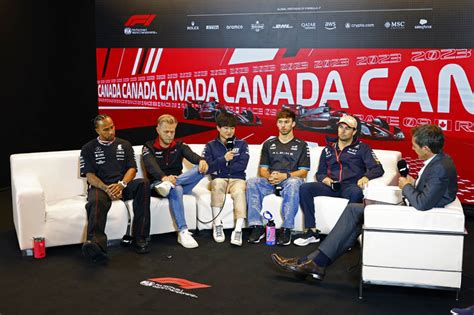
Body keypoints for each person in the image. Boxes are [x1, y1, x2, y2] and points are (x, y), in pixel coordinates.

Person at [272, 124, 458, 281]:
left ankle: (314, 263)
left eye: (415, 146)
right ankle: (310, 261)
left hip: (414, 217)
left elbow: (422, 203)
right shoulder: (438, 162)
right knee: (354, 211)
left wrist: (406, 186)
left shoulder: (440, 168)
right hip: (409, 210)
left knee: (354, 209)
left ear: (426, 148)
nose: (413, 149)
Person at [294, 115, 384, 246]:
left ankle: (347, 237)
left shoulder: (363, 148)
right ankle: (311, 231)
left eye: (347, 128)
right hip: (332, 186)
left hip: (351, 187)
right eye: (341, 127)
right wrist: (327, 181)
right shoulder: (328, 149)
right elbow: (320, 173)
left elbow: (378, 169)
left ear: (354, 131)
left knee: (357, 193)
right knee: (305, 188)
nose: (342, 130)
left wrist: (366, 177)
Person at [80, 114, 151, 262]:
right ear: (97, 131)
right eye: (106, 129)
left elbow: (132, 169)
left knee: (144, 184)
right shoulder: (88, 148)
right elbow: (90, 176)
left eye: (112, 127)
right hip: (101, 187)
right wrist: (106, 188)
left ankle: (141, 238)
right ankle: (96, 245)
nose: (111, 131)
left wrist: (121, 185)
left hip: (122, 185)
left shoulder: (125, 144)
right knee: (95, 200)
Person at [142, 114, 208, 249]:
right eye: (166, 131)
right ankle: (183, 231)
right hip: (158, 185)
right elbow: (151, 166)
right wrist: (164, 178)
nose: (170, 135)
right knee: (175, 188)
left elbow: (192, 156)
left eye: (172, 131)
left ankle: (173, 183)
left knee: (203, 168)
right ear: (158, 130)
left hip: (180, 182)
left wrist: (201, 160)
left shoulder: (180, 145)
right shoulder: (148, 147)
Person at [246, 107, 310, 246]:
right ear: (277, 124)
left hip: (290, 180)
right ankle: (257, 226)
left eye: (286, 122)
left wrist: (285, 176)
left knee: (293, 182)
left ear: (293, 124)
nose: (283, 125)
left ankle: (287, 228)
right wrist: (270, 177)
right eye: (280, 122)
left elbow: (304, 172)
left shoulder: (302, 145)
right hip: (271, 181)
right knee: (252, 182)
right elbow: (262, 170)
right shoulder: (269, 144)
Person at [203, 112, 250, 246]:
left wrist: (221, 167)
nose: (229, 131)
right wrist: (223, 159)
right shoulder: (210, 145)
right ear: (218, 128)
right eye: (226, 128)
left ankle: (238, 229)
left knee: (240, 192)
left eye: (232, 128)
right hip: (219, 179)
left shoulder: (242, 144)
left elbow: (242, 165)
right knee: (217, 183)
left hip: (237, 179)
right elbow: (208, 167)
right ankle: (217, 224)